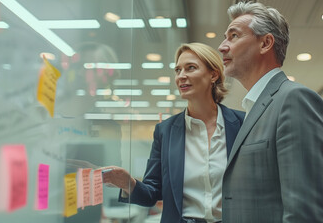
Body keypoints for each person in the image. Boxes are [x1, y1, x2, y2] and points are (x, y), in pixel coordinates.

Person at [218, 1, 323, 222]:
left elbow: (307, 214)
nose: (222, 46)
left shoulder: (295, 100)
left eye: (233, 36)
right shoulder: (254, 108)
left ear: (265, 43)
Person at [102, 42, 245, 223]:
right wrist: (128, 183)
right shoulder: (165, 131)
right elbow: (152, 192)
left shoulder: (242, 124)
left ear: (213, 74)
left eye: (190, 68)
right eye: (178, 70)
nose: (181, 76)